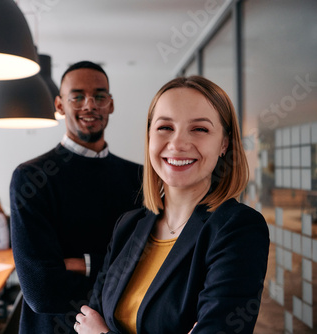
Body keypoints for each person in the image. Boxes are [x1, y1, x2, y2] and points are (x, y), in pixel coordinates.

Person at [73, 76, 270, 334]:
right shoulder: (129, 225)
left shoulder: (238, 229)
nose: (177, 144)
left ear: (224, 143)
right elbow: (88, 317)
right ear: (149, 136)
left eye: (200, 129)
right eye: (165, 127)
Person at [9, 61, 143, 334]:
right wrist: (115, 270)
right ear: (59, 105)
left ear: (111, 104)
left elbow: (146, 266)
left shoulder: (139, 178)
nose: (89, 105)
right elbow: (41, 290)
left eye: (100, 96)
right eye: (77, 96)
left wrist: (83, 264)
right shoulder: (31, 178)